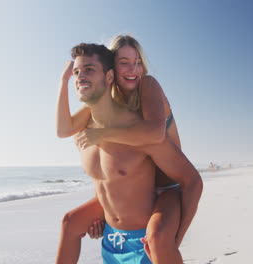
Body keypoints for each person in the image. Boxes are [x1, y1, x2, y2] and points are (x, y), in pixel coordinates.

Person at [55, 42, 202, 263]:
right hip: (114, 237)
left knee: (159, 237)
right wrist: (63, 80)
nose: (80, 77)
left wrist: (175, 239)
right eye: (77, 72)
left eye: (89, 70)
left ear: (109, 76)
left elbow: (191, 180)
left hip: (161, 207)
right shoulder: (84, 129)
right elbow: (63, 131)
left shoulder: (141, 127)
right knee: (69, 222)